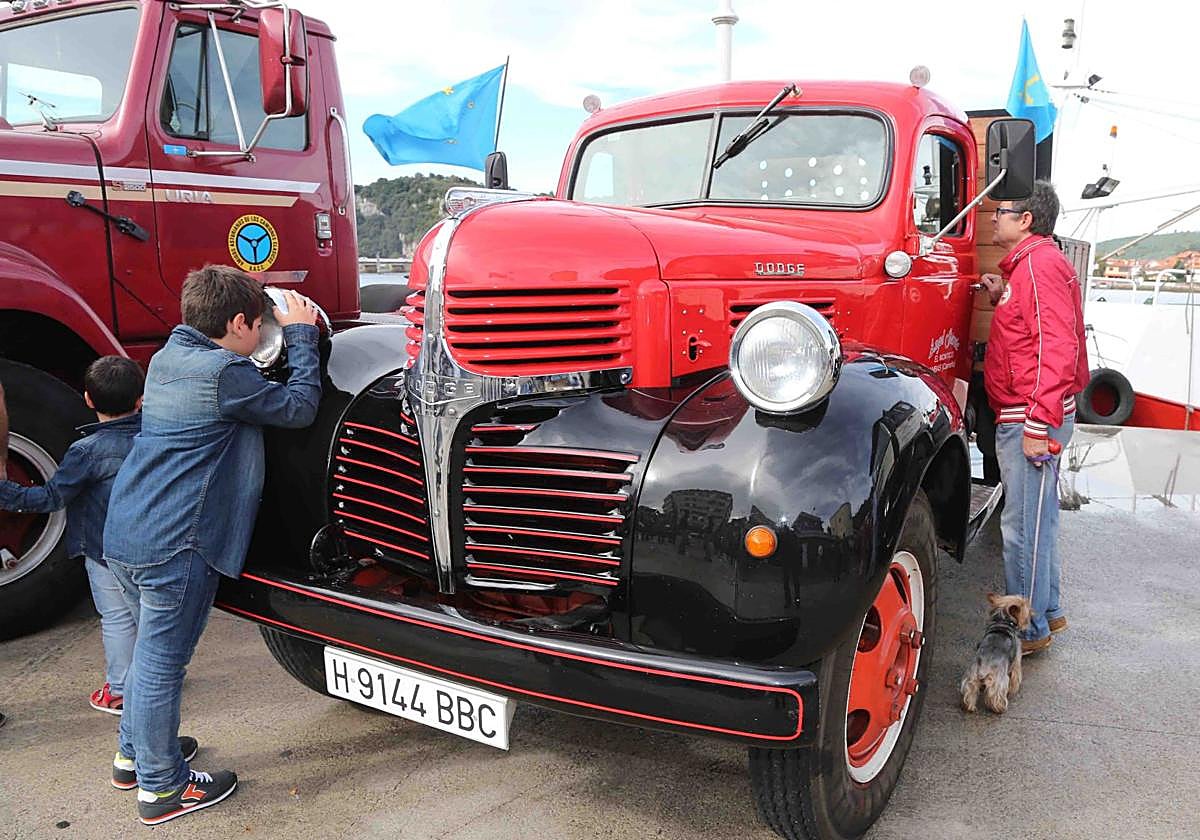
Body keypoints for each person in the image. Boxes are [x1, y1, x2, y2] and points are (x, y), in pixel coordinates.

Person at [103, 265, 321, 826]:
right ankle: (163, 787)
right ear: (237, 322)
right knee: (161, 665)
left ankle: (135, 756)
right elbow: (297, 409)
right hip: (175, 543)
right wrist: (299, 334)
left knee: (145, 657)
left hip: (126, 529)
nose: (263, 331)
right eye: (260, 323)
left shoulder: (167, 358)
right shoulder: (225, 372)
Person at [0, 356, 146, 714]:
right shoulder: (156, 438)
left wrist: (5, 491)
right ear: (141, 400)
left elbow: (51, 497)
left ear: (88, 399)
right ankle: (157, 678)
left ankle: (120, 690)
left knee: (116, 619)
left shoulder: (85, 452)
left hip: (103, 550)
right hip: (152, 545)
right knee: (149, 616)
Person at [980, 180, 1088, 656]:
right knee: (1039, 521)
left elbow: (1056, 347)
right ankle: (1050, 610)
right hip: (1032, 408)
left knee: (1021, 528)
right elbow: (1034, 330)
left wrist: (1037, 425)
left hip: (1029, 413)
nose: (992, 218)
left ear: (1026, 219)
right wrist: (1001, 293)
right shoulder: (1030, 268)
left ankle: (1028, 629)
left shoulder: (1039, 266)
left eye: (1001, 211)